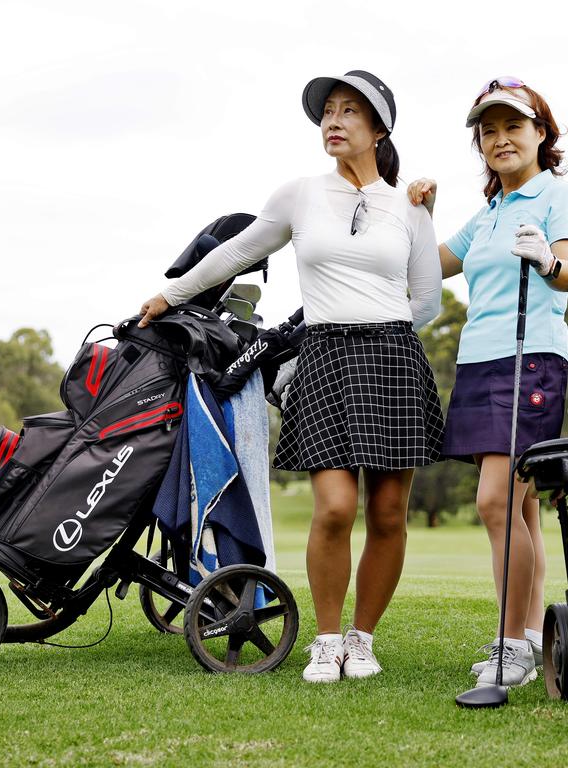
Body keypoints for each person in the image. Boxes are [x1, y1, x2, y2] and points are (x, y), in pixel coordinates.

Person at [138, 70, 443, 683]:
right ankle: (326, 641)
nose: (334, 120)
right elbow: (237, 252)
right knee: (334, 507)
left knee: (387, 513)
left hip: (393, 358)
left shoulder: (408, 206)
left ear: (378, 129)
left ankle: (362, 639)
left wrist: (378, 325)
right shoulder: (300, 194)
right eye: (328, 110)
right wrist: (171, 295)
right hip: (325, 356)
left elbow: (428, 299)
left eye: (350, 111)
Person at [408, 77, 568, 687]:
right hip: (481, 362)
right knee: (523, 510)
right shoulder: (488, 215)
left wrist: (547, 260)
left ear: (542, 133)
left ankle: (510, 645)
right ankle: (533, 637)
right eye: (488, 131)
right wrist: (417, 214)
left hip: (530, 357)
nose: (500, 139)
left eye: (514, 126)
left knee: (496, 501)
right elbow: (429, 263)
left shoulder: (555, 195)